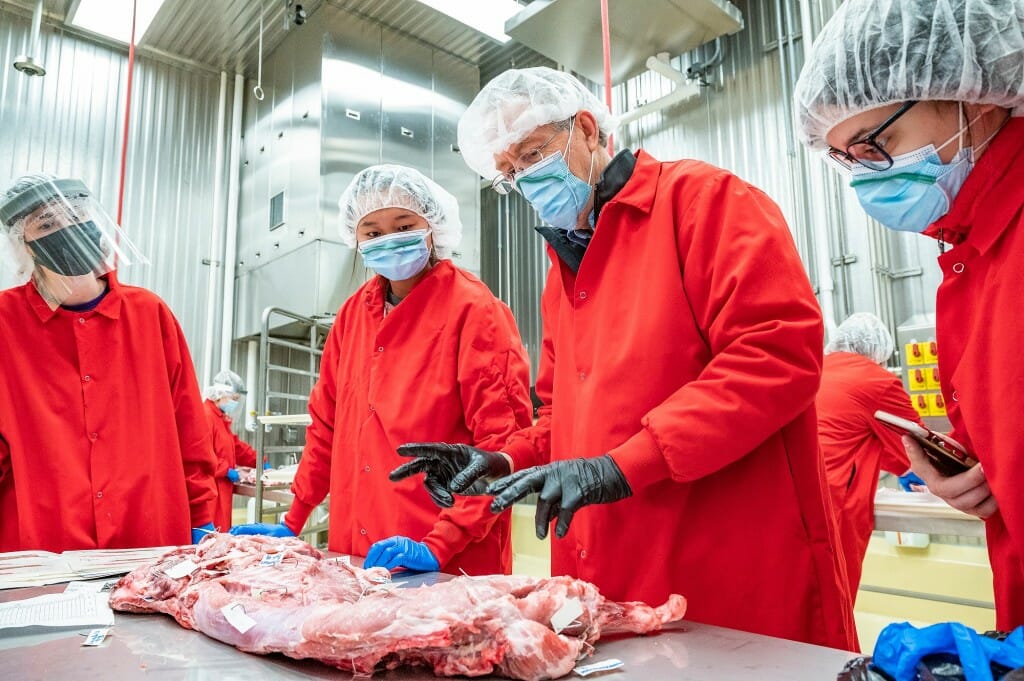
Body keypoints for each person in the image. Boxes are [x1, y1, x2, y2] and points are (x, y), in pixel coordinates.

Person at [392, 67, 857, 649]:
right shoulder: (563, 271)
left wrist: (623, 465)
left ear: (586, 129)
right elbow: (562, 414)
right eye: (510, 172)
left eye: (532, 154)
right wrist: (500, 461)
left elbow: (775, 356)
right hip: (605, 584)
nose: (525, 178)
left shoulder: (704, 202)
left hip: (727, 579)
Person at [794, 0, 1024, 631]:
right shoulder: (971, 258)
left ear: (972, 95)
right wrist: (979, 474)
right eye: (848, 159)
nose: (865, 178)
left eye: (877, 143)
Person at [231, 165, 533, 576]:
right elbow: (326, 427)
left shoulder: (475, 312)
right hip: (357, 554)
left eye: (403, 224)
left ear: (432, 227)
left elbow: (501, 448)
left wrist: (439, 544)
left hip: (448, 564)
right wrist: (293, 517)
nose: (388, 239)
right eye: (372, 232)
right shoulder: (353, 316)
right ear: (354, 237)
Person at [0, 174, 217, 551]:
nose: (66, 230)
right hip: (41, 548)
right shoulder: (5, 322)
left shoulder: (149, 314)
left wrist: (202, 517)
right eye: (47, 224)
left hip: (147, 538)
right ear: (25, 245)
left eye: (74, 216)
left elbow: (189, 428)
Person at [817, 313, 924, 601]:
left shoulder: (816, 370)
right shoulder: (876, 380)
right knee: (833, 598)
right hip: (833, 503)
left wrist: (903, 470)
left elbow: (851, 434)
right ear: (878, 353)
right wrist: (924, 474)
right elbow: (918, 443)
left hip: (792, 497)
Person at [203, 369, 260, 532]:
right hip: (211, 493)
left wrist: (260, 461)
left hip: (222, 491)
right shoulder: (206, 416)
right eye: (234, 399)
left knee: (220, 536)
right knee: (210, 540)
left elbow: (236, 446)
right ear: (222, 394)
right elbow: (204, 456)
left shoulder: (220, 418)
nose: (235, 403)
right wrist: (227, 471)